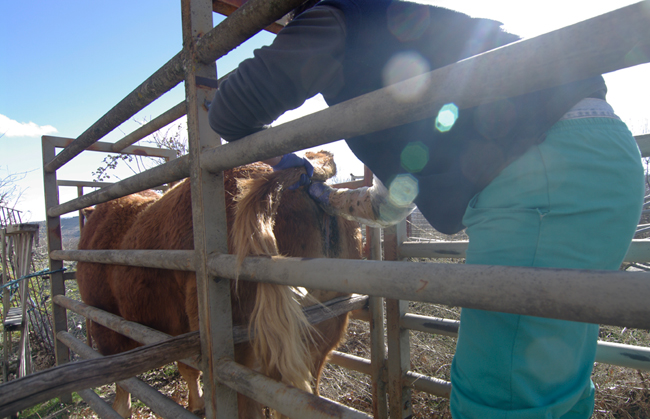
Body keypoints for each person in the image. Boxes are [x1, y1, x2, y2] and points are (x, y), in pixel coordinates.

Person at [208, 1, 645, 417]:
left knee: (498, 397)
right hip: (604, 154)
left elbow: (231, 111)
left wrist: (286, 159)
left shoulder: (339, 16)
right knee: (557, 381)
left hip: (544, 177)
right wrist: (334, 201)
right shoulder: (414, 46)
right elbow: (390, 202)